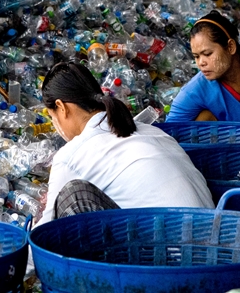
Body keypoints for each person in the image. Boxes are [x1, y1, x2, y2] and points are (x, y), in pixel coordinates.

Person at [35, 61, 213, 228]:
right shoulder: (152, 131)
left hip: (173, 255)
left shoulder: (70, 156)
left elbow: (44, 232)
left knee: (72, 197)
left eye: (52, 117)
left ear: (62, 107)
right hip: (216, 247)